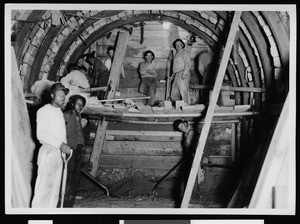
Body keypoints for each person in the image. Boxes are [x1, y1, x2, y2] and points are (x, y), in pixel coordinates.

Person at [31, 82, 72, 208]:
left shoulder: (58, 111)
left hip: (58, 154)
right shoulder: (44, 111)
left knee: (54, 192)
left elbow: (60, 134)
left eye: (64, 95)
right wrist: (61, 145)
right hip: (48, 152)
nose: (63, 98)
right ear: (52, 95)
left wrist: (63, 150)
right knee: (43, 190)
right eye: (60, 95)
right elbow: (41, 134)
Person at [62, 94, 87, 207]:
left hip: (79, 148)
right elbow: (61, 130)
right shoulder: (66, 115)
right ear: (72, 103)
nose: (80, 107)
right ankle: (64, 198)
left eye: (82, 105)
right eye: (78, 104)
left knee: (75, 175)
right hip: (70, 147)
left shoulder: (79, 117)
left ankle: (70, 198)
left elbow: (79, 132)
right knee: (68, 174)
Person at [170, 39, 192, 105]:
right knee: (174, 92)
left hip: (182, 73)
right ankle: (177, 107)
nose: (178, 46)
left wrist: (184, 73)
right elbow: (176, 67)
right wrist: (172, 76)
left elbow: (188, 63)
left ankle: (186, 106)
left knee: (183, 91)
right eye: (176, 45)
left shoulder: (185, 52)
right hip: (176, 74)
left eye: (179, 44)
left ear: (182, 45)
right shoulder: (177, 54)